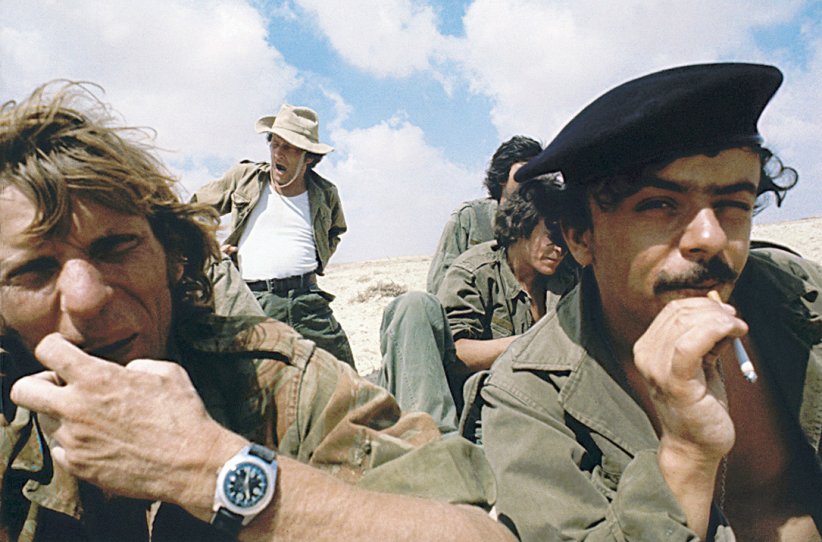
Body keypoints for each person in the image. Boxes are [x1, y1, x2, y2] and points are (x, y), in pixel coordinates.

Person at [0, 82, 517, 542]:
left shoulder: (273, 381)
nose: (87, 297)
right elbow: (205, 203)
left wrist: (210, 470)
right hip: (260, 291)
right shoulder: (246, 181)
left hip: (306, 300)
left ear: (171, 256)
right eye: (34, 270)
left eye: (116, 247)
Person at [463, 62, 821, 541]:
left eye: (733, 204)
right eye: (659, 205)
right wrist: (686, 456)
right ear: (580, 236)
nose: (711, 237)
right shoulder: (529, 394)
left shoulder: (804, 299)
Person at [379, 180, 577, 433]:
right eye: (553, 236)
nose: (560, 249)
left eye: (566, 238)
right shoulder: (475, 271)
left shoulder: (568, 277)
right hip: (473, 408)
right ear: (522, 227)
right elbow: (455, 353)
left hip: (531, 408)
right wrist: (534, 342)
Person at [192, 103, 354, 367]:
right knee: (256, 381)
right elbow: (195, 209)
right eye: (274, 143)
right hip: (255, 303)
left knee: (344, 378)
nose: (278, 152)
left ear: (309, 157)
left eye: (288, 147)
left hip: (308, 302)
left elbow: (335, 231)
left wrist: (314, 259)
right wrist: (208, 247)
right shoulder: (245, 178)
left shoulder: (325, 193)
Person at [426, 136, 542, 294]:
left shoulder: (544, 223)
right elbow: (440, 283)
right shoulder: (470, 218)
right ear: (502, 176)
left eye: (537, 172)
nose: (532, 178)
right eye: (525, 170)